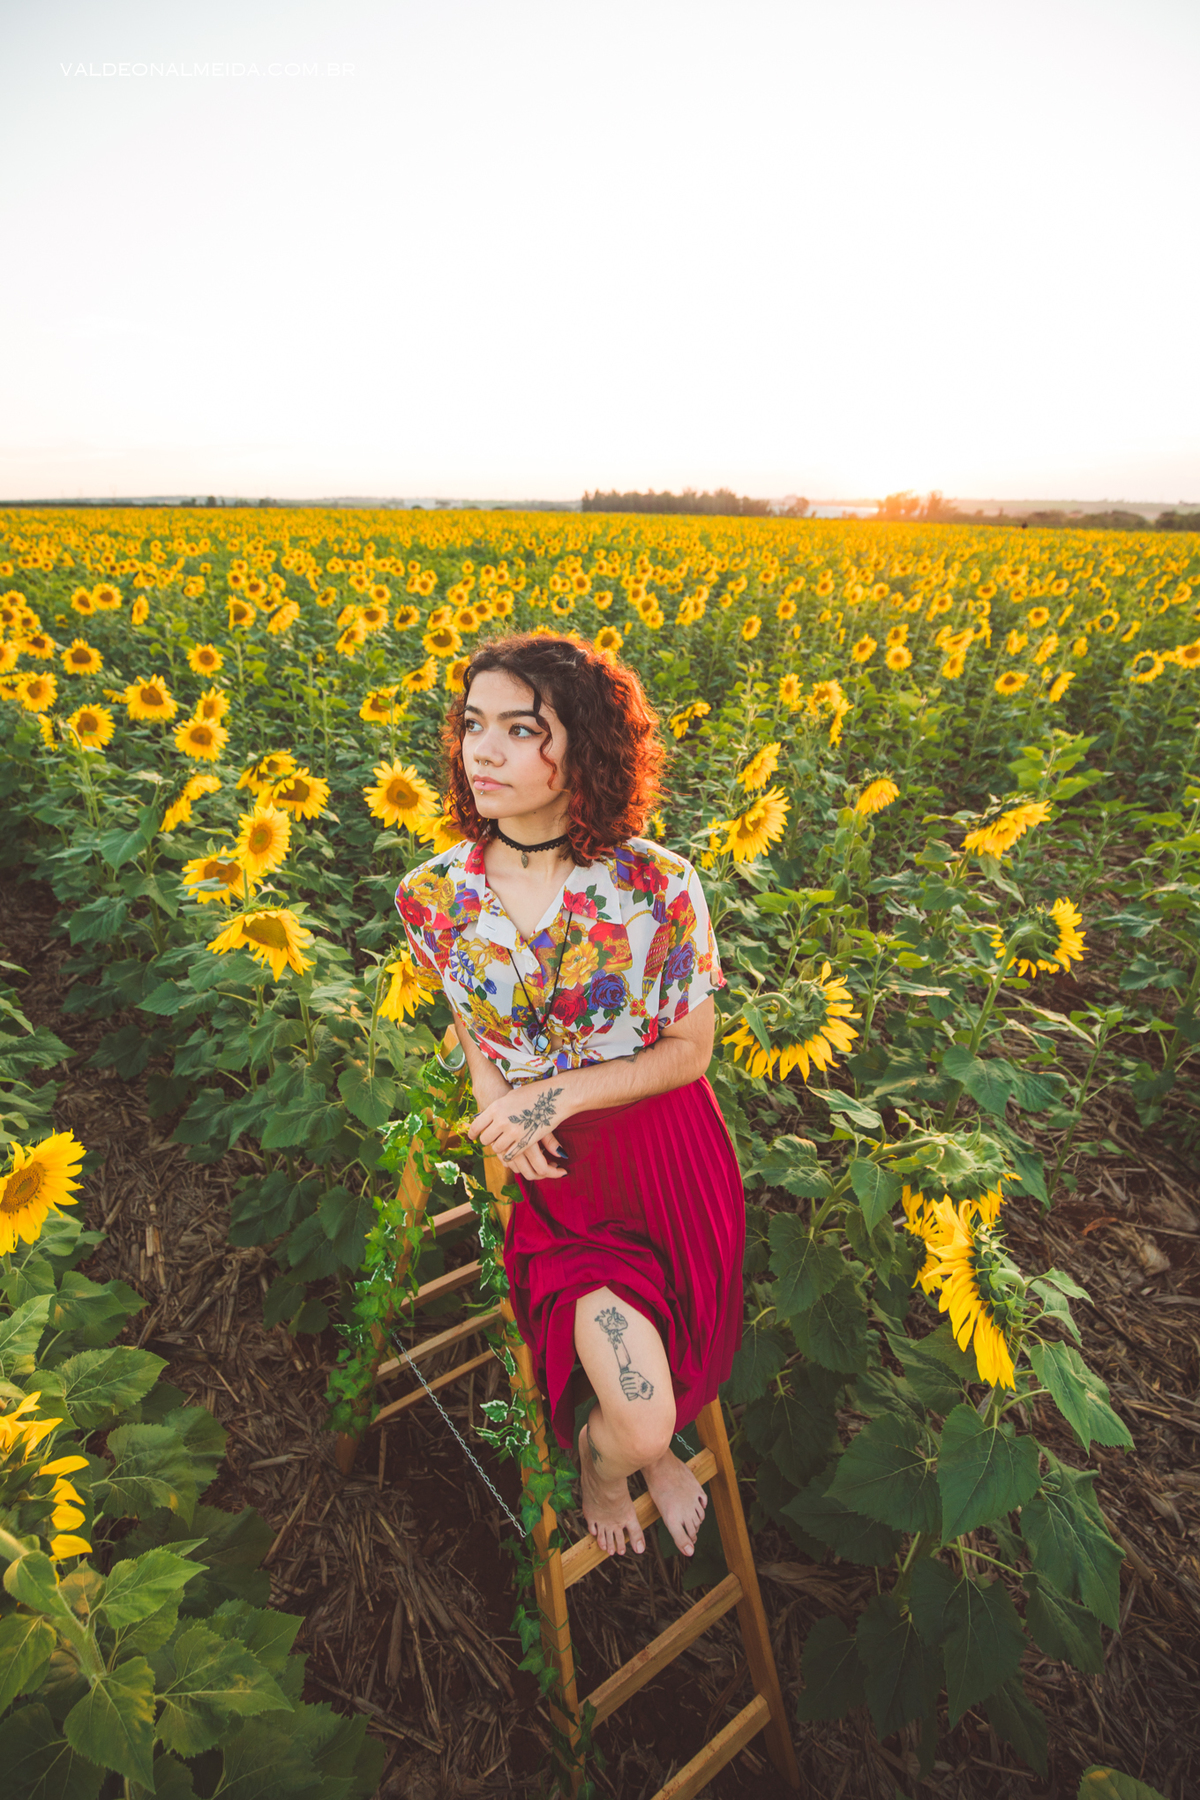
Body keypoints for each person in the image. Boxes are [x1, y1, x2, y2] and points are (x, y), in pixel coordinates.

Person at [394, 631, 745, 1561]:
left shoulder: (656, 885)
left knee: (675, 1373)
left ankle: (654, 1444)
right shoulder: (435, 895)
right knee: (634, 1419)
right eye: (474, 725)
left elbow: (691, 1051)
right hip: (566, 1186)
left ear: (583, 747)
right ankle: (611, 1463)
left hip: (667, 1160)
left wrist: (552, 1097)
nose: (483, 751)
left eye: (520, 729)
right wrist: (501, 1104)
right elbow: (473, 1020)